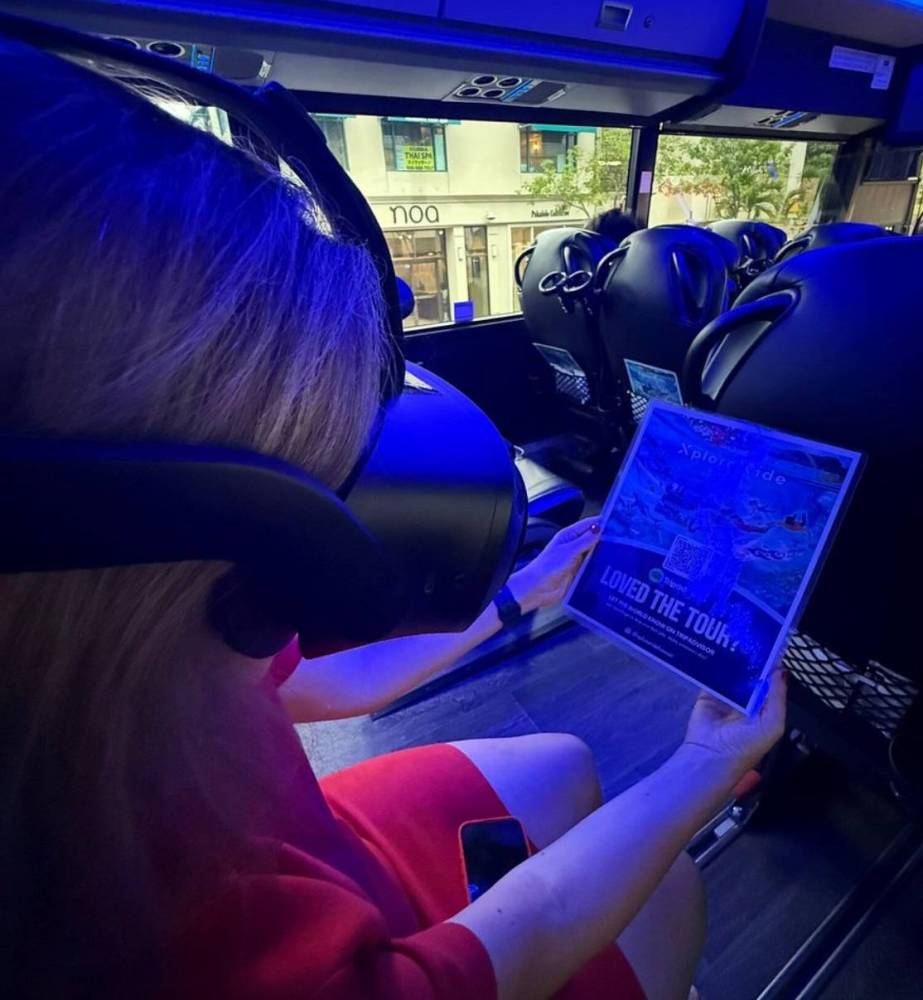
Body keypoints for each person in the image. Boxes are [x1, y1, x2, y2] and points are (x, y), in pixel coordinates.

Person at [0, 39, 788, 1000]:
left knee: (563, 758)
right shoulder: (130, 915)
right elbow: (494, 946)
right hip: (333, 927)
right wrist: (706, 764)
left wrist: (510, 600)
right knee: (662, 885)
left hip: (307, 837)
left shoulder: (151, 645)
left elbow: (314, 687)